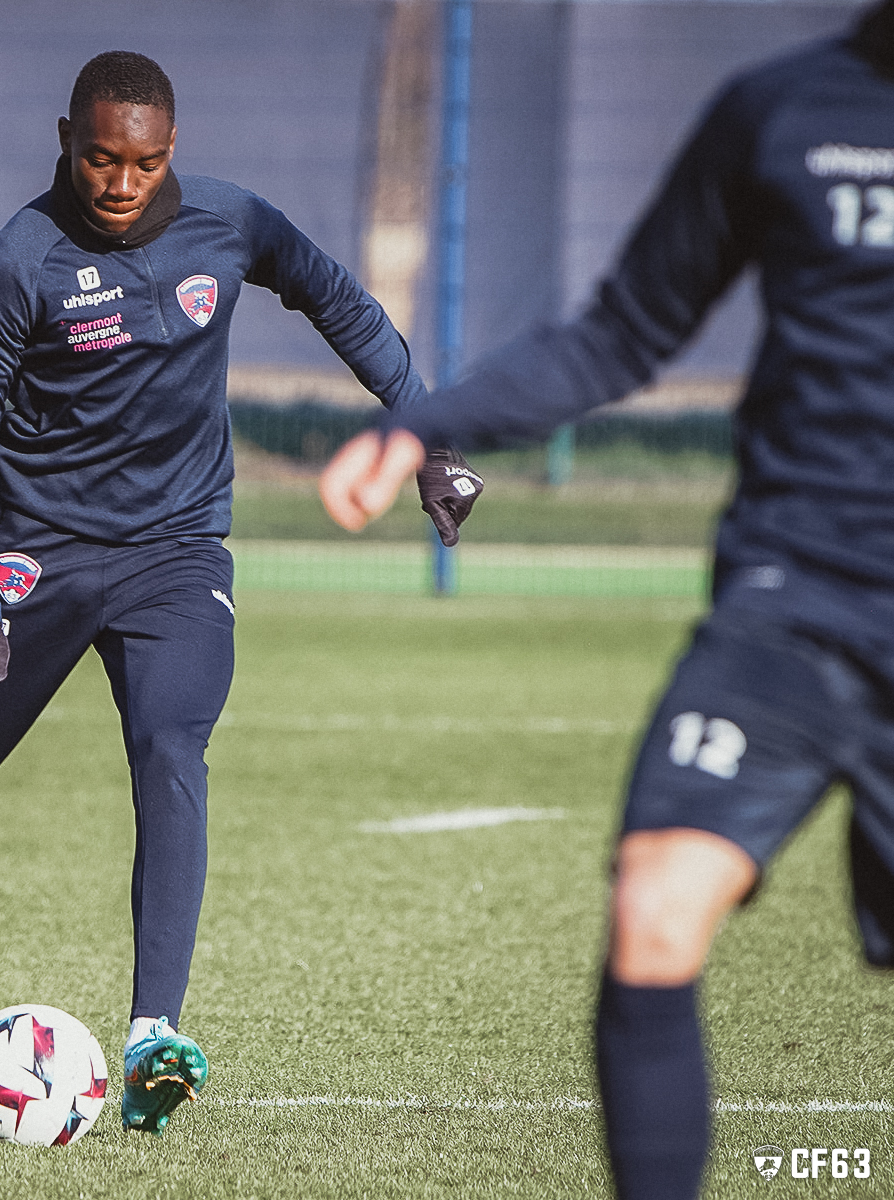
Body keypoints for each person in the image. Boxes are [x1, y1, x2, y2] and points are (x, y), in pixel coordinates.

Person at [0, 50, 481, 1135]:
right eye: (101, 158)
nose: (120, 184)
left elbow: (336, 300)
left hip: (176, 552)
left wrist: (420, 430)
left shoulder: (230, 222)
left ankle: (154, 1031)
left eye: (144, 163)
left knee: (171, 747)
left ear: (172, 154)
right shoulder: (17, 262)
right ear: (64, 139)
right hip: (39, 553)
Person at [319, 4, 894, 1195]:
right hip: (793, 602)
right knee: (652, 912)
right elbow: (623, 332)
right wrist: (428, 422)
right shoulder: (780, 109)